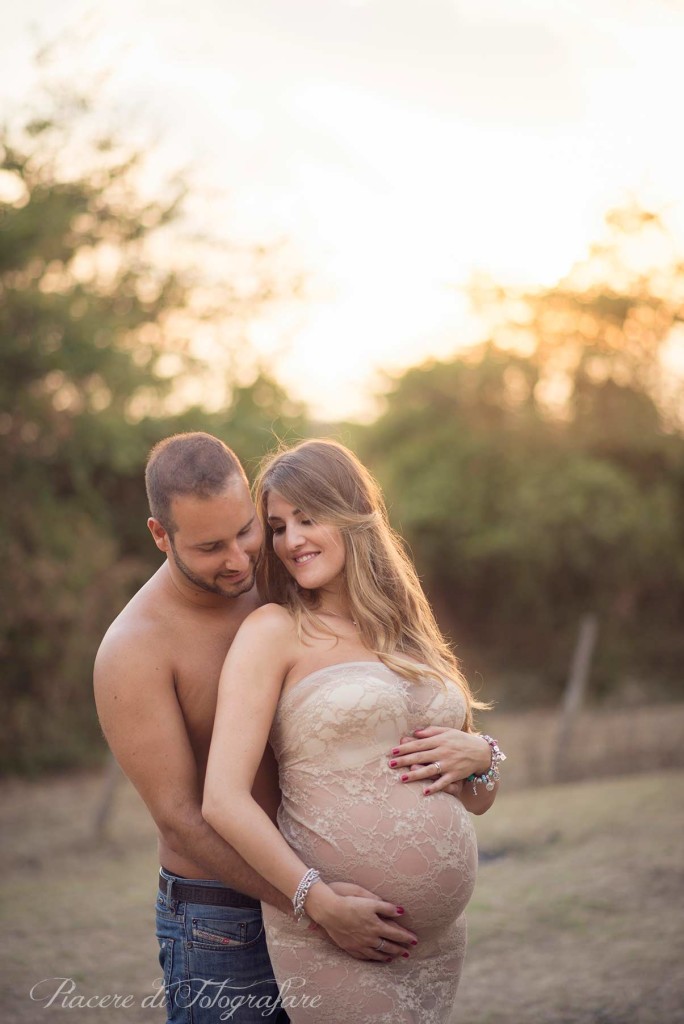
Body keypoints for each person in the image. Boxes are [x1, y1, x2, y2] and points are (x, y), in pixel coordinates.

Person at [93, 432, 422, 1024]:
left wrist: (476, 750)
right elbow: (182, 819)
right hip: (223, 921)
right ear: (159, 536)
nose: (240, 560)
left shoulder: (280, 581)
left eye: (246, 530)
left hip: (330, 895)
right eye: (210, 546)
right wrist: (310, 901)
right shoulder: (133, 650)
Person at [202, 439, 504, 1024]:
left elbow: (478, 800)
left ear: (354, 514)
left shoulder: (409, 629)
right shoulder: (275, 630)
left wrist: (482, 755)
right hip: (331, 931)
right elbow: (222, 800)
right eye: (278, 526)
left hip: (438, 945)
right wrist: (317, 903)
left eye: (308, 518)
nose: (292, 540)